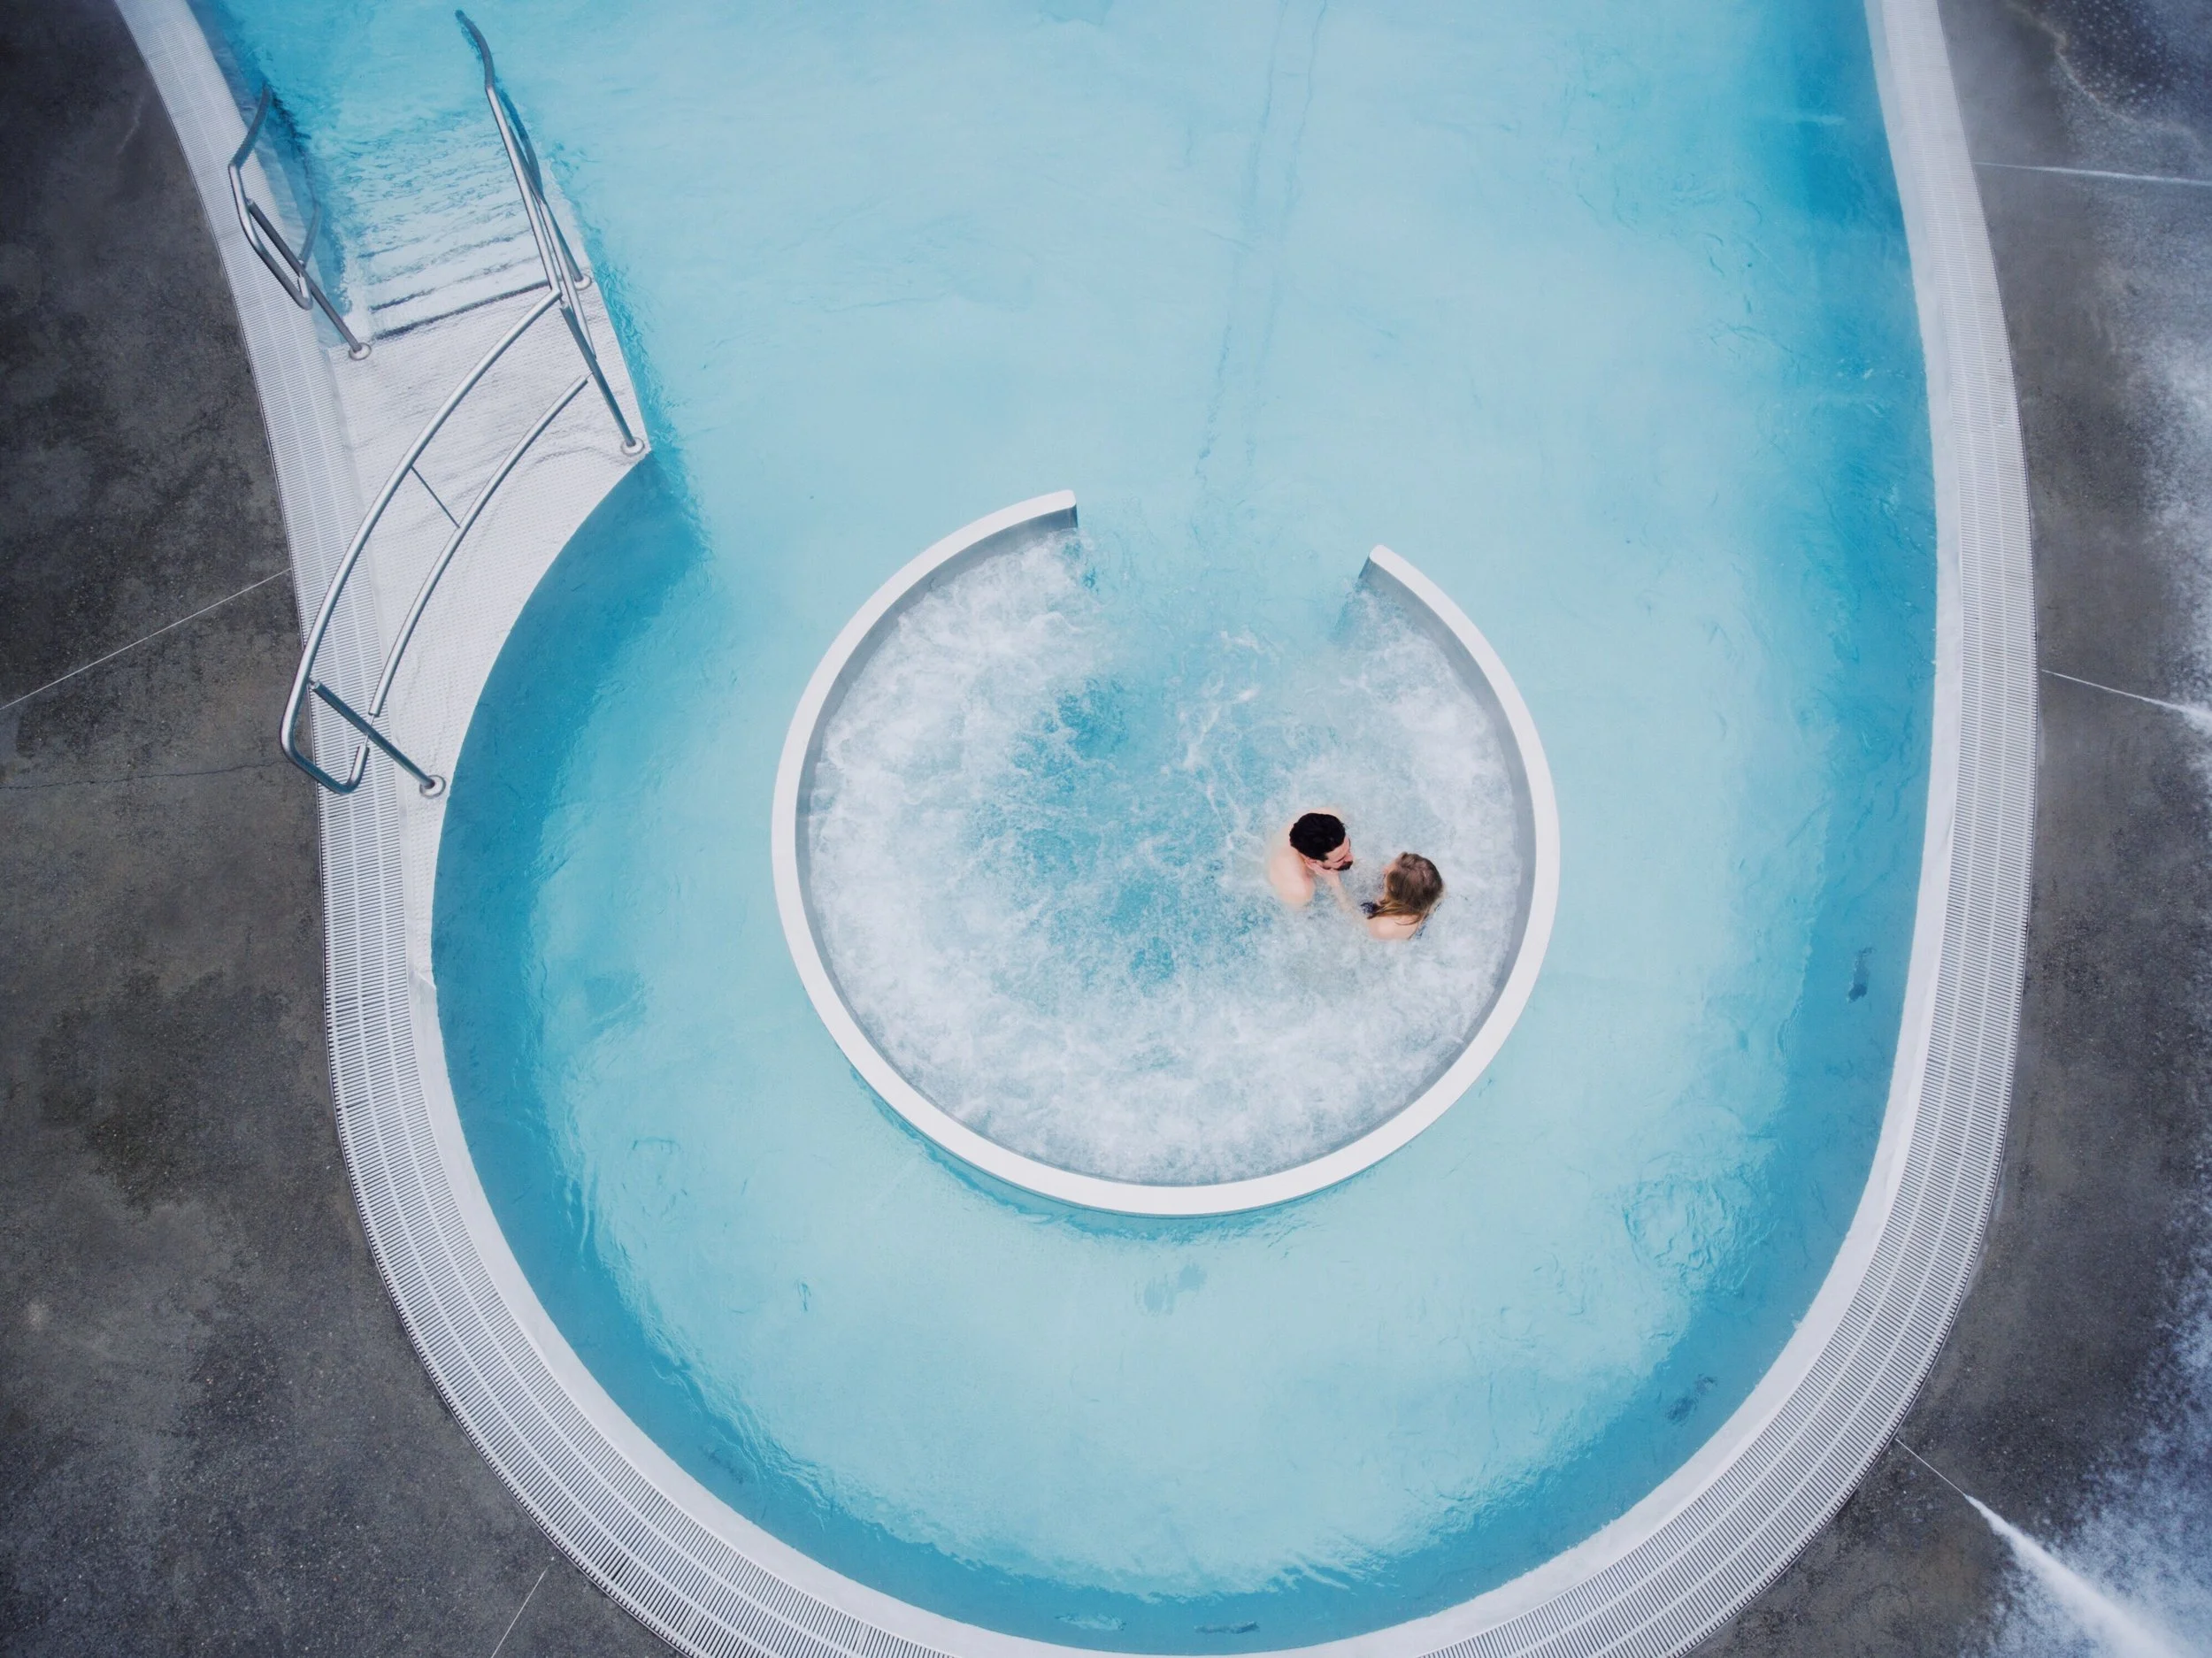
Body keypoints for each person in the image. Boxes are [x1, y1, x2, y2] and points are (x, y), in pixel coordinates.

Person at [1268, 810, 1353, 907]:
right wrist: (1336, 885)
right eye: (1340, 859)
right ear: (1312, 861)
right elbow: (1354, 921)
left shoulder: (1327, 821)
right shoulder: (1299, 890)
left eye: (1349, 847)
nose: (1351, 858)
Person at [1362, 853, 1444, 940]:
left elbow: (1356, 922)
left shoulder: (1383, 928)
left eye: (1387, 874)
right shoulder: (1434, 887)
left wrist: (1345, 897)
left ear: (1393, 889)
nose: (1383, 869)